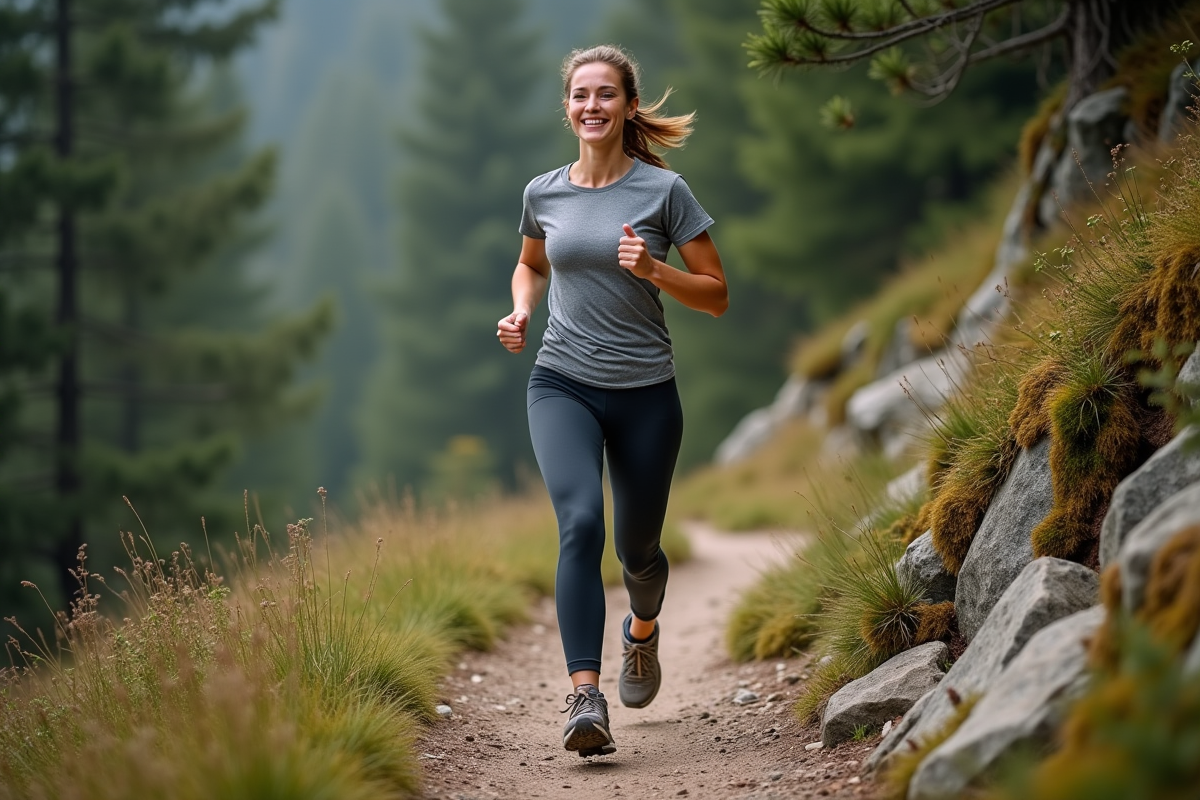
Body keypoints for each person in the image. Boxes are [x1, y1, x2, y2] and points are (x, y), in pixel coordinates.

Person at [496, 44, 728, 758]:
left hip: (646, 393)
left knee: (639, 552)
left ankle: (642, 631)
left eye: (606, 95)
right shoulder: (544, 191)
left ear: (629, 107)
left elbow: (716, 295)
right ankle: (584, 695)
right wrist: (520, 310)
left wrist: (654, 268)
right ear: (566, 108)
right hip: (561, 381)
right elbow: (531, 262)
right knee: (579, 522)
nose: (591, 106)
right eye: (580, 95)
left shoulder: (664, 193)